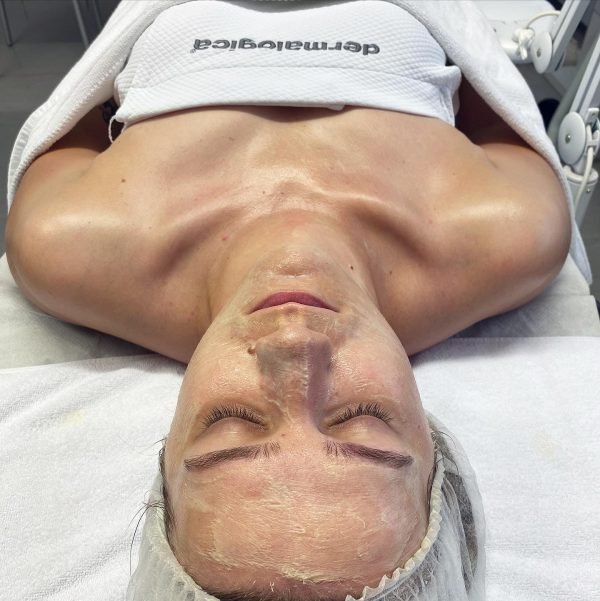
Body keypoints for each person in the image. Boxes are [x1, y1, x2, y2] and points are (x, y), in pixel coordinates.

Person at [4, 1, 570, 599]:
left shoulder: (65, 244)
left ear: (166, 457)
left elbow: (89, 104)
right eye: (363, 418)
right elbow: (482, 81)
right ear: (437, 452)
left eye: (231, 422)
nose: (295, 343)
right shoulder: (512, 234)